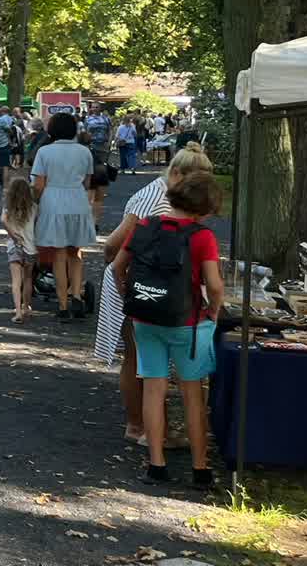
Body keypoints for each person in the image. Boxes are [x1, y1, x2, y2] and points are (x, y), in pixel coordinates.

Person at [96, 143, 215, 448]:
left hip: (142, 286)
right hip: (138, 287)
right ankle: (142, 427)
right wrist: (129, 285)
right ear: (177, 174)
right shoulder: (154, 198)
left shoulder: (165, 195)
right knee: (140, 359)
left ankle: (148, 428)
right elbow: (113, 246)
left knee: (143, 359)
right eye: (193, 183)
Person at [111, 170, 223, 488]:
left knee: (153, 389)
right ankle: (200, 469)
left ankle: (156, 465)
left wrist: (131, 297)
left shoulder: (145, 225)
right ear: (203, 208)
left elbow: (118, 266)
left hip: (145, 319)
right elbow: (213, 285)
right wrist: (214, 309)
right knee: (192, 394)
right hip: (188, 323)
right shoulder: (202, 237)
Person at [30, 112, 96, 322]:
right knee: (75, 252)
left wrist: (36, 201)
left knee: (58, 254)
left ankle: (63, 303)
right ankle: (76, 294)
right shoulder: (84, 152)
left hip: (53, 201)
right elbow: (87, 182)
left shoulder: (45, 152)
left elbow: (38, 184)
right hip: (77, 200)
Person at [3, 176, 38, 323]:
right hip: (31, 247)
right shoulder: (34, 207)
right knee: (28, 278)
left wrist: (13, 235)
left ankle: (17, 311)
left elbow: (3, 220)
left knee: (16, 281)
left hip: (15, 246)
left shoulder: (9, 207)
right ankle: (26, 307)